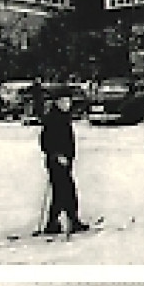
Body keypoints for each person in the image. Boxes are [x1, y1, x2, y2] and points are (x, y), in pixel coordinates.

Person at [38, 98, 89, 234]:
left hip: (64, 161)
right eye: (63, 101)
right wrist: (57, 155)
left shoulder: (64, 117)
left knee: (61, 193)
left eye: (68, 101)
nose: (67, 104)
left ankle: (55, 223)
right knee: (66, 192)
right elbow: (45, 141)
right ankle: (68, 221)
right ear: (57, 102)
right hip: (57, 162)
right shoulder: (53, 119)